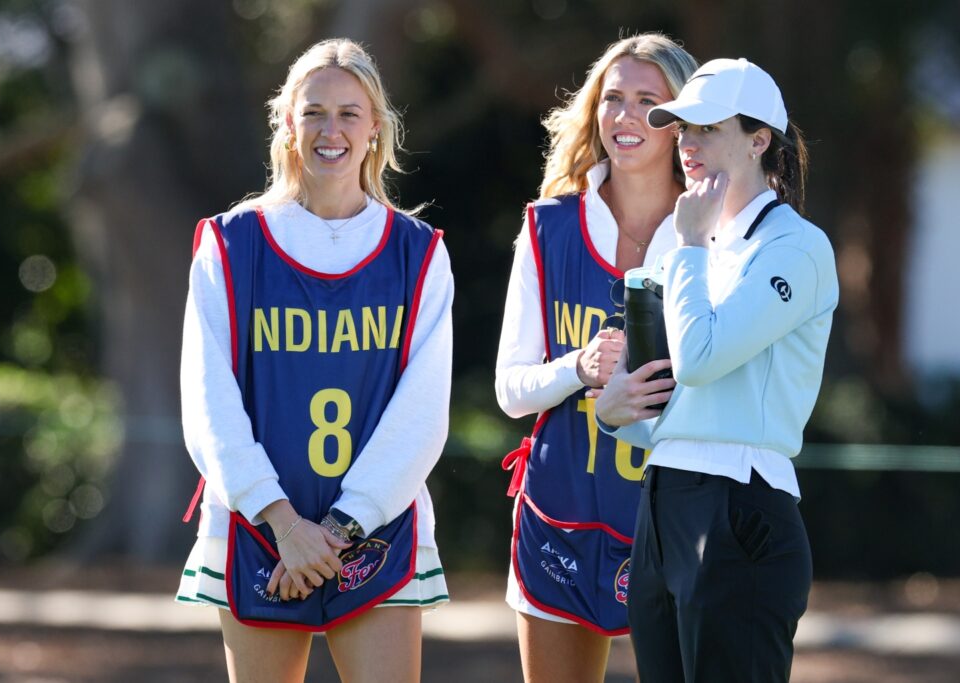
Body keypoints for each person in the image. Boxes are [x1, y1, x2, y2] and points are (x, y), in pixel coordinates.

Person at [174, 38, 453, 683]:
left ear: (376, 128)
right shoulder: (229, 243)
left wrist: (338, 525)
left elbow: (421, 411)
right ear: (288, 125)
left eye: (350, 113)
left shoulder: (419, 252)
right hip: (258, 527)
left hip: (376, 526)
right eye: (314, 112)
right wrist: (283, 524)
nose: (332, 130)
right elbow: (207, 399)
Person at [595, 58, 839, 682]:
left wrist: (687, 249)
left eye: (707, 128)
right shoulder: (696, 245)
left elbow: (702, 359)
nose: (688, 145)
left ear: (761, 141)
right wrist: (616, 413)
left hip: (741, 507)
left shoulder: (797, 247)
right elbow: (673, 403)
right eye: (681, 130)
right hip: (663, 501)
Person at [495, 34, 697, 682]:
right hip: (560, 513)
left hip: (677, 520)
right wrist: (577, 369)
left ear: (682, 121)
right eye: (612, 98)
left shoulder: (715, 234)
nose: (625, 116)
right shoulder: (546, 225)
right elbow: (510, 388)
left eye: (648, 100)